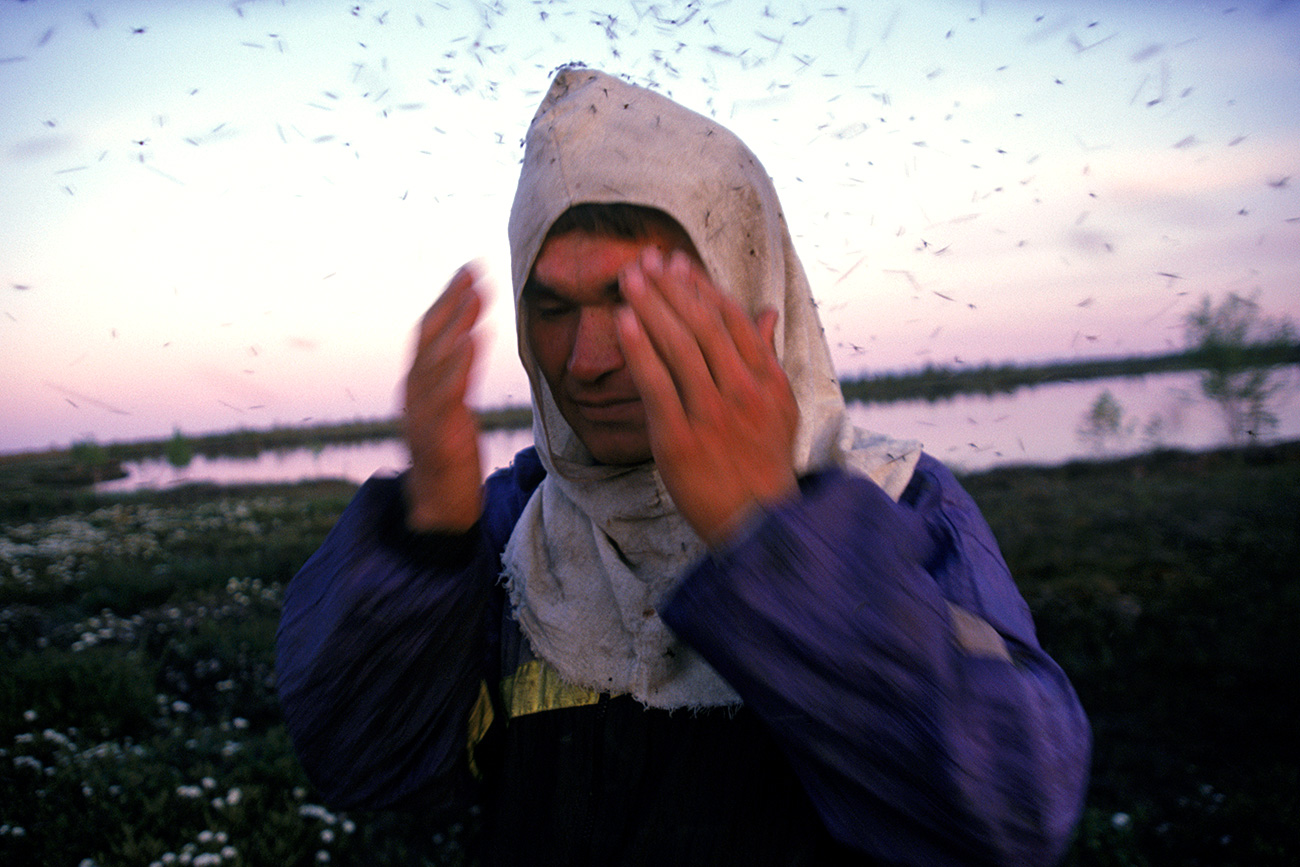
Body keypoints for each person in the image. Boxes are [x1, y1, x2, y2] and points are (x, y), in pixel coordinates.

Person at [276, 66, 1090, 866]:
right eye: (552, 308)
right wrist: (426, 541)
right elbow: (365, 767)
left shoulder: (903, 507)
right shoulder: (508, 533)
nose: (586, 360)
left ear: (745, 292)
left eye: (635, 298)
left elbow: (1012, 815)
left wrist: (767, 536)